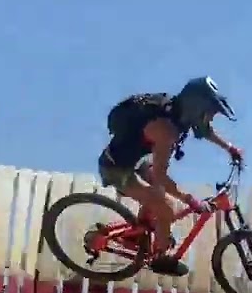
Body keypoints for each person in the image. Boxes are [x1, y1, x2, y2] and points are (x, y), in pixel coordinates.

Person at [98, 76, 244, 277]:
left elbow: (204, 130)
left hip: (136, 162)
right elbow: (161, 176)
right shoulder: (165, 130)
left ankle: (137, 234)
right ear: (196, 107)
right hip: (116, 169)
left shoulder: (177, 112)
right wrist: (190, 200)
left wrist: (230, 148)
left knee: (157, 196)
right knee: (167, 208)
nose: (210, 118)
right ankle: (160, 258)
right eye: (209, 113)